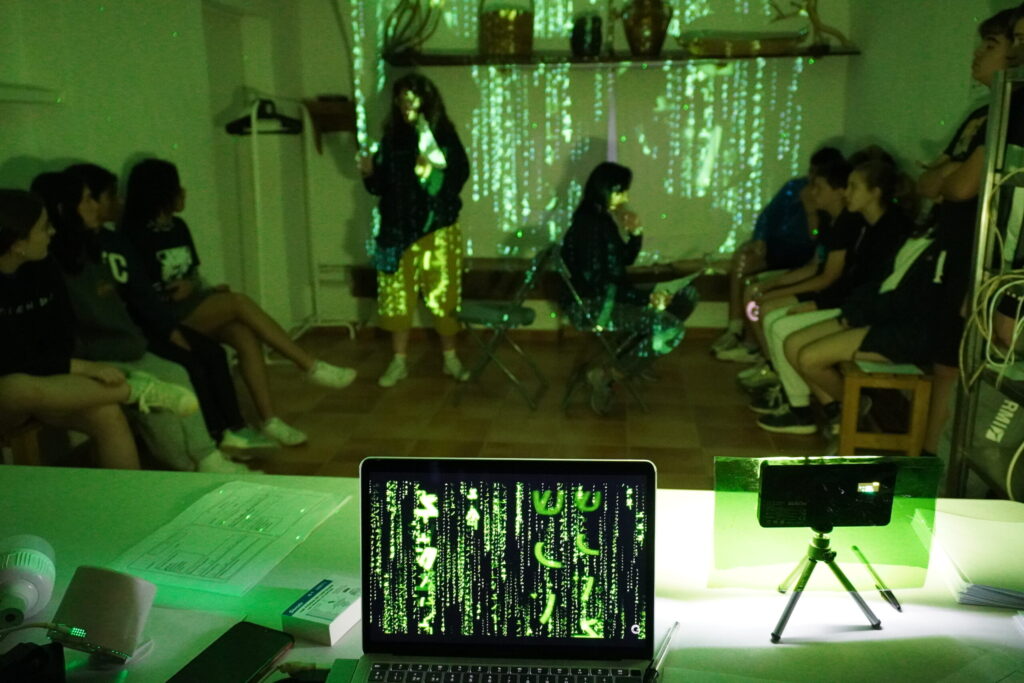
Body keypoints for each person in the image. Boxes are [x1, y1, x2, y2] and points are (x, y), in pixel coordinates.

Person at [121, 158, 355, 446]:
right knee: (238, 303)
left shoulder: (178, 227)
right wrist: (175, 292)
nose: (183, 192)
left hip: (193, 303)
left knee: (243, 334)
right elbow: (138, 292)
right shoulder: (133, 235)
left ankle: (269, 420)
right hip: (166, 314)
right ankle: (309, 366)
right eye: (176, 186)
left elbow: (192, 274)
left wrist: (198, 286)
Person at [34, 171, 254, 474]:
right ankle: (189, 468)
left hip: (126, 345)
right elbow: (80, 331)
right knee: (159, 389)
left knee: (178, 371)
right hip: (95, 357)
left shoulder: (94, 249)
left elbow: (124, 306)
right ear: (64, 208)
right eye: (86, 200)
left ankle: (205, 457)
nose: (95, 206)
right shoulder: (51, 266)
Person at [0, 189, 191, 470]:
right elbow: (7, 361)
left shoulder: (44, 267)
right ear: (18, 243)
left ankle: (126, 496)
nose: (52, 232)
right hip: (11, 394)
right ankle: (134, 391)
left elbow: (61, 336)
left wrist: (71, 367)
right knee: (16, 386)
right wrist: (81, 367)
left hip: (48, 378)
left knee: (106, 413)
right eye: (43, 227)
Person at [918, 8, 1019, 458]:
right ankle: (933, 463)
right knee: (946, 364)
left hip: (985, 261)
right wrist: (949, 176)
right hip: (955, 254)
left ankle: (948, 467)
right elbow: (928, 183)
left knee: (964, 367)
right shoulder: (982, 114)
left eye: (992, 45)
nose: (978, 54)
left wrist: (950, 175)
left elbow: (959, 186)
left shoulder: (1011, 113)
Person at [756, 158, 916, 434]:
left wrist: (817, 303)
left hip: (869, 315)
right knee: (783, 330)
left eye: (853, 187)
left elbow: (861, 285)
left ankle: (817, 409)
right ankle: (827, 408)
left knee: (784, 331)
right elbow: (841, 276)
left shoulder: (891, 230)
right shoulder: (864, 225)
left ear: (875, 192)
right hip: (853, 307)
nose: (846, 193)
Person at [358, 73, 471, 388]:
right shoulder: (391, 138)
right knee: (395, 299)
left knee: (444, 298)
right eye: (400, 99)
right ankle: (399, 362)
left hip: (437, 230)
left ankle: (450, 359)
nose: (405, 105)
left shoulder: (444, 136)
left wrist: (432, 167)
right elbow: (379, 186)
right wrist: (369, 173)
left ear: (426, 100)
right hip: (394, 231)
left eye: (411, 98)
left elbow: (457, 176)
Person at [560, 162, 697, 415]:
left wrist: (635, 234)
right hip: (594, 308)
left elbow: (622, 263)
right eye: (621, 191)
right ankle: (611, 373)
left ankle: (637, 355)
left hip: (610, 296)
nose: (626, 198)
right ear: (605, 189)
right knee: (671, 329)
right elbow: (600, 285)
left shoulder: (601, 219)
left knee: (687, 295)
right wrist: (646, 298)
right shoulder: (589, 225)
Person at [712, 147, 845, 359]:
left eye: (818, 176)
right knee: (743, 262)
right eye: (811, 172)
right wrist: (760, 240)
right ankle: (736, 329)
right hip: (778, 248)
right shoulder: (795, 187)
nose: (812, 181)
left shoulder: (832, 210)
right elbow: (769, 215)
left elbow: (816, 239)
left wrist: (810, 210)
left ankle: (760, 352)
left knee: (759, 296)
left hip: (803, 257)